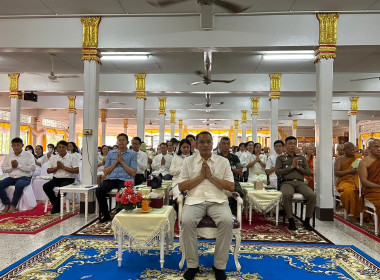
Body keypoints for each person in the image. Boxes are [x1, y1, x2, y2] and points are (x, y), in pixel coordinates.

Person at [178, 131, 234, 280]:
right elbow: (182, 186)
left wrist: (211, 177)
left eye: (208, 142)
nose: (205, 145)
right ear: (195, 144)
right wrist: (201, 177)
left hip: (218, 200)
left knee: (227, 221)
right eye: (201, 142)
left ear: (212, 143)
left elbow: (231, 186)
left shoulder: (223, 162)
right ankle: (192, 265)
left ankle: (219, 266)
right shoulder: (188, 161)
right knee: (187, 221)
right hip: (194, 200)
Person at [275, 136, 316, 231]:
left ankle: (307, 220)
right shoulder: (281, 158)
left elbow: (308, 173)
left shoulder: (301, 158)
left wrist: (298, 168)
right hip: (287, 182)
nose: (293, 145)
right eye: (290, 143)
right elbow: (278, 172)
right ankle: (291, 219)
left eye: (294, 143)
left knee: (312, 195)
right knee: (287, 194)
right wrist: (291, 167)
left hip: (300, 183)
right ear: (285, 145)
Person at [96, 133, 137, 223]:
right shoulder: (111, 153)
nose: (121, 142)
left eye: (123, 140)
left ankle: (118, 216)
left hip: (125, 178)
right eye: (119, 140)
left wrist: (122, 162)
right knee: (99, 190)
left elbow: (133, 173)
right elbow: (106, 172)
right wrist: (116, 162)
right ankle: (106, 215)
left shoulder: (132, 154)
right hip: (112, 178)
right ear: (117, 142)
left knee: (122, 191)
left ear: (127, 142)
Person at [0, 137, 36, 213]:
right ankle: (6, 203)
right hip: (12, 177)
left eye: (18, 145)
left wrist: (18, 165)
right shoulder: (9, 156)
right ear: (11, 146)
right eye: (14, 145)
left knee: (19, 185)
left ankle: (13, 205)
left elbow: (32, 168)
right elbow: (3, 168)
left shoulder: (28, 155)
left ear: (22, 145)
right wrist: (12, 167)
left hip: (25, 177)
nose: (16, 147)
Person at [43, 140, 79, 214]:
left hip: (68, 178)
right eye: (59, 147)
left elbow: (76, 170)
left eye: (63, 147)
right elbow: (48, 170)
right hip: (56, 178)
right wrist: (57, 168)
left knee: (62, 188)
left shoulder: (72, 157)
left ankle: (55, 208)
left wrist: (63, 167)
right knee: (46, 186)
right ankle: (57, 205)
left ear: (66, 148)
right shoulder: (53, 157)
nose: (61, 149)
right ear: (57, 148)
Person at [334, 142, 362, 219]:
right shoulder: (339, 159)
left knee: (362, 190)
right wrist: (349, 171)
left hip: (357, 179)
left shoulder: (358, 157)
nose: (353, 152)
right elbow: (336, 173)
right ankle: (353, 212)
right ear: (344, 150)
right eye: (350, 150)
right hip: (345, 181)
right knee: (348, 192)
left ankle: (362, 214)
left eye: (354, 149)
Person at [217, 136, 244, 215]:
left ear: (230, 146)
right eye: (223, 144)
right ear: (219, 145)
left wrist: (229, 169)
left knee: (239, 193)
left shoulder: (234, 157)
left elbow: (240, 171)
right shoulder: (216, 157)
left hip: (233, 179)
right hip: (219, 180)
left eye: (227, 144)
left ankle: (235, 212)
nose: (225, 146)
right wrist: (232, 169)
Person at [358, 139, 380, 229]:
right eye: (376, 147)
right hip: (371, 190)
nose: (379, 149)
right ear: (369, 148)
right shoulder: (364, 162)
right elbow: (364, 181)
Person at [169, 138, 192, 203]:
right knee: (179, 198)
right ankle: (180, 212)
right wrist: (182, 168)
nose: (186, 149)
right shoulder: (175, 158)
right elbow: (171, 171)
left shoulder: (193, 158)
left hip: (191, 182)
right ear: (180, 148)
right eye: (184, 147)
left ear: (190, 148)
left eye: (188, 147)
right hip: (177, 182)